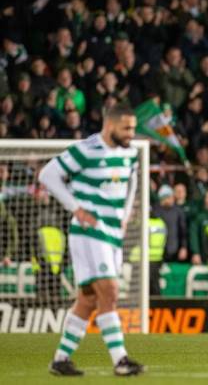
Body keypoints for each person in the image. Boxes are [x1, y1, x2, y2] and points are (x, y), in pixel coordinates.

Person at [38, 102, 144, 376]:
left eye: (133, 128)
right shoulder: (86, 150)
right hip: (89, 231)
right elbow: (47, 175)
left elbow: (132, 179)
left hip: (112, 232)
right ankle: (120, 360)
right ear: (110, 125)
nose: (131, 133)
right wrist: (76, 208)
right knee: (109, 291)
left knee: (87, 299)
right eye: (127, 128)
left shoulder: (129, 152)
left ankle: (61, 360)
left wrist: (127, 209)